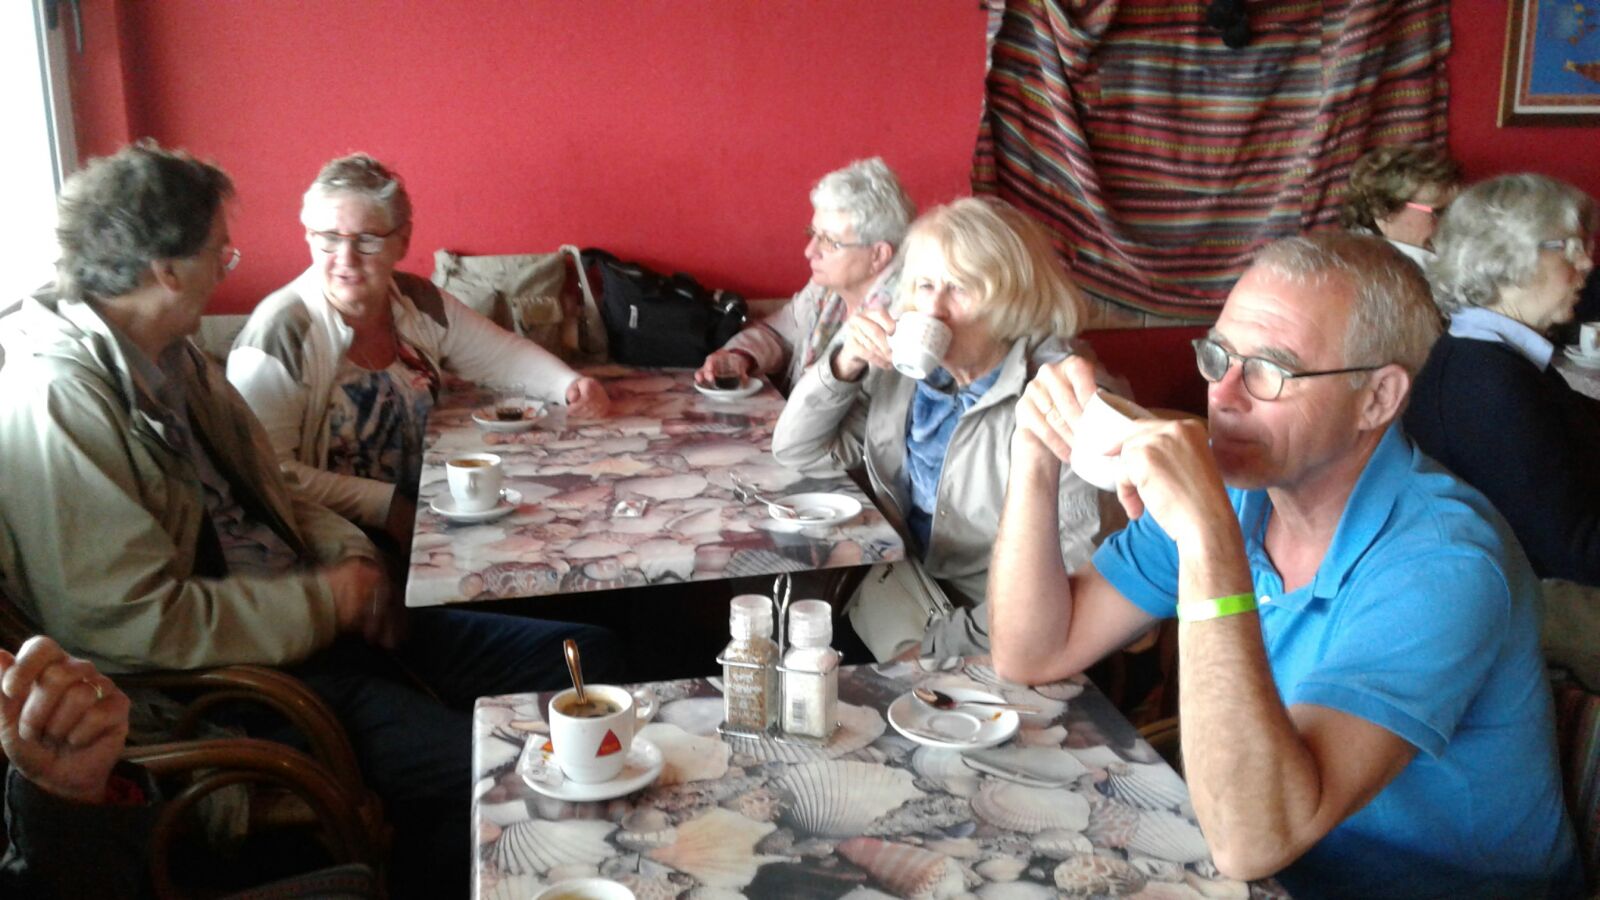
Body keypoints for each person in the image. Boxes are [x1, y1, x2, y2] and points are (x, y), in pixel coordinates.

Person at [0, 143, 620, 899]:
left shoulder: (170, 355)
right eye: (220, 251)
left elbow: (274, 490)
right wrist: (327, 600)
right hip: (250, 686)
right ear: (167, 270)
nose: (228, 265)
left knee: (590, 655)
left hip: (323, 627)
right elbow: (130, 622)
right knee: (512, 771)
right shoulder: (59, 401)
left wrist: (352, 564)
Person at [987, 232, 1580, 898]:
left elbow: (1252, 840)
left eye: (1269, 370)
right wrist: (1034, 455)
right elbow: (1032, 651)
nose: (1223, 394)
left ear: (1377, 398)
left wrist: (1208, 545)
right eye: (1219, 355)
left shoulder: (1445, 562)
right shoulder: (1239, 492)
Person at [772, 197, 1125, 662]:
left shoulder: (1062, 401)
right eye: (924, 285)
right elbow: (797, 449)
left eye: (960, 287)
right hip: (897, 600)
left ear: (1013, 300)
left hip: (996, 638)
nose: (933, 308)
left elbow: (1075, 576)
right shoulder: (909, 377)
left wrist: (938, 648)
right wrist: (843, 363)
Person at [227, 154, 610, 545]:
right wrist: (388, 507)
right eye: (329, 238)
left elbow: (500, 355)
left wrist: (569, 384)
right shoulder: (278, 333)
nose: (346, 259)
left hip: (424, 508)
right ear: (309, 237)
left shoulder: (417, 300)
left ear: (402, 240)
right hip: (329, 534)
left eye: (367, 239)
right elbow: (266, 474)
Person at [1404, 174, 1600, 685]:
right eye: (1570, 247)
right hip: (1545, 610)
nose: (1586, 263)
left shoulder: (1484, 355)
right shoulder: (1490, 383)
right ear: (1507, 257)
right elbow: (1572, 554)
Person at [0, 635, 376, 899]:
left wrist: (66, 796)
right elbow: (148, 619)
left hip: (256, 675)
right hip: (210, 698)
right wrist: (329, 598)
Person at [696, 157, 914, 392]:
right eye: (813, 233)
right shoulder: (825, 292)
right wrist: (740, 356)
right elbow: (777, 334)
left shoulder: (899, 327)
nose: (809, 251)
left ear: (878, 255)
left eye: (829, 241)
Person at [1340, 144, 1461, 268]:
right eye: (1439, 212)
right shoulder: (1361, 270)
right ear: (1383, 212)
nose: (1453, 223)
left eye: (1457, 210)